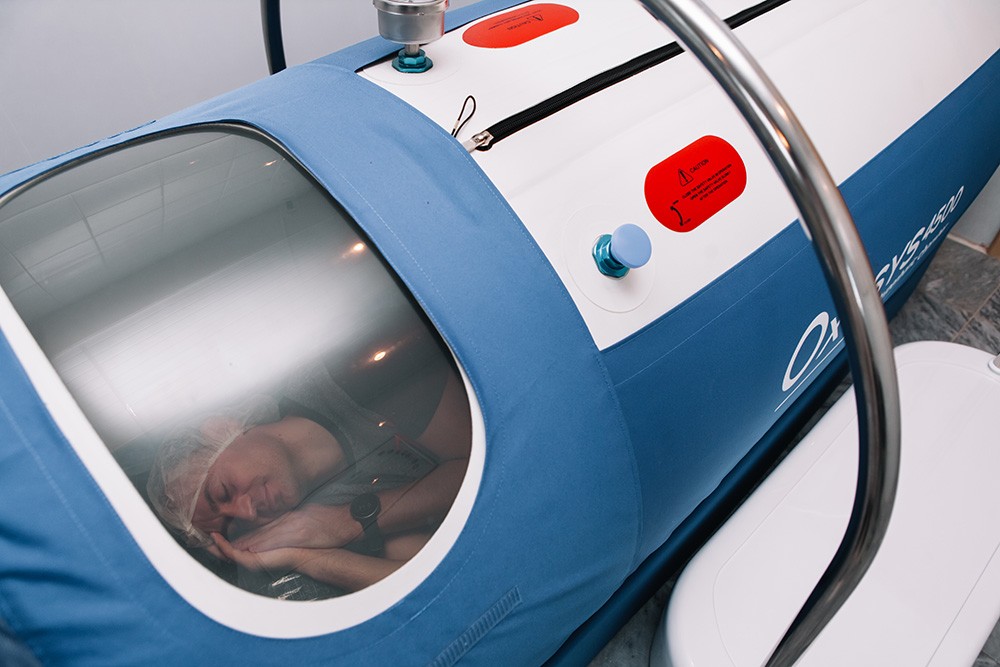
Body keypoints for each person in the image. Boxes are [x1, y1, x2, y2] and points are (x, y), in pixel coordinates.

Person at [147, 363, 471, 594]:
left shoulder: (343, 373)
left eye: (224, 491)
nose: (247, 511)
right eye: (235, 525)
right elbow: (430, 583)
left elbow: (480, 462)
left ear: (222, 430)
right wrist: (305, 556)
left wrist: (344, 522)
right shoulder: (320, 506)